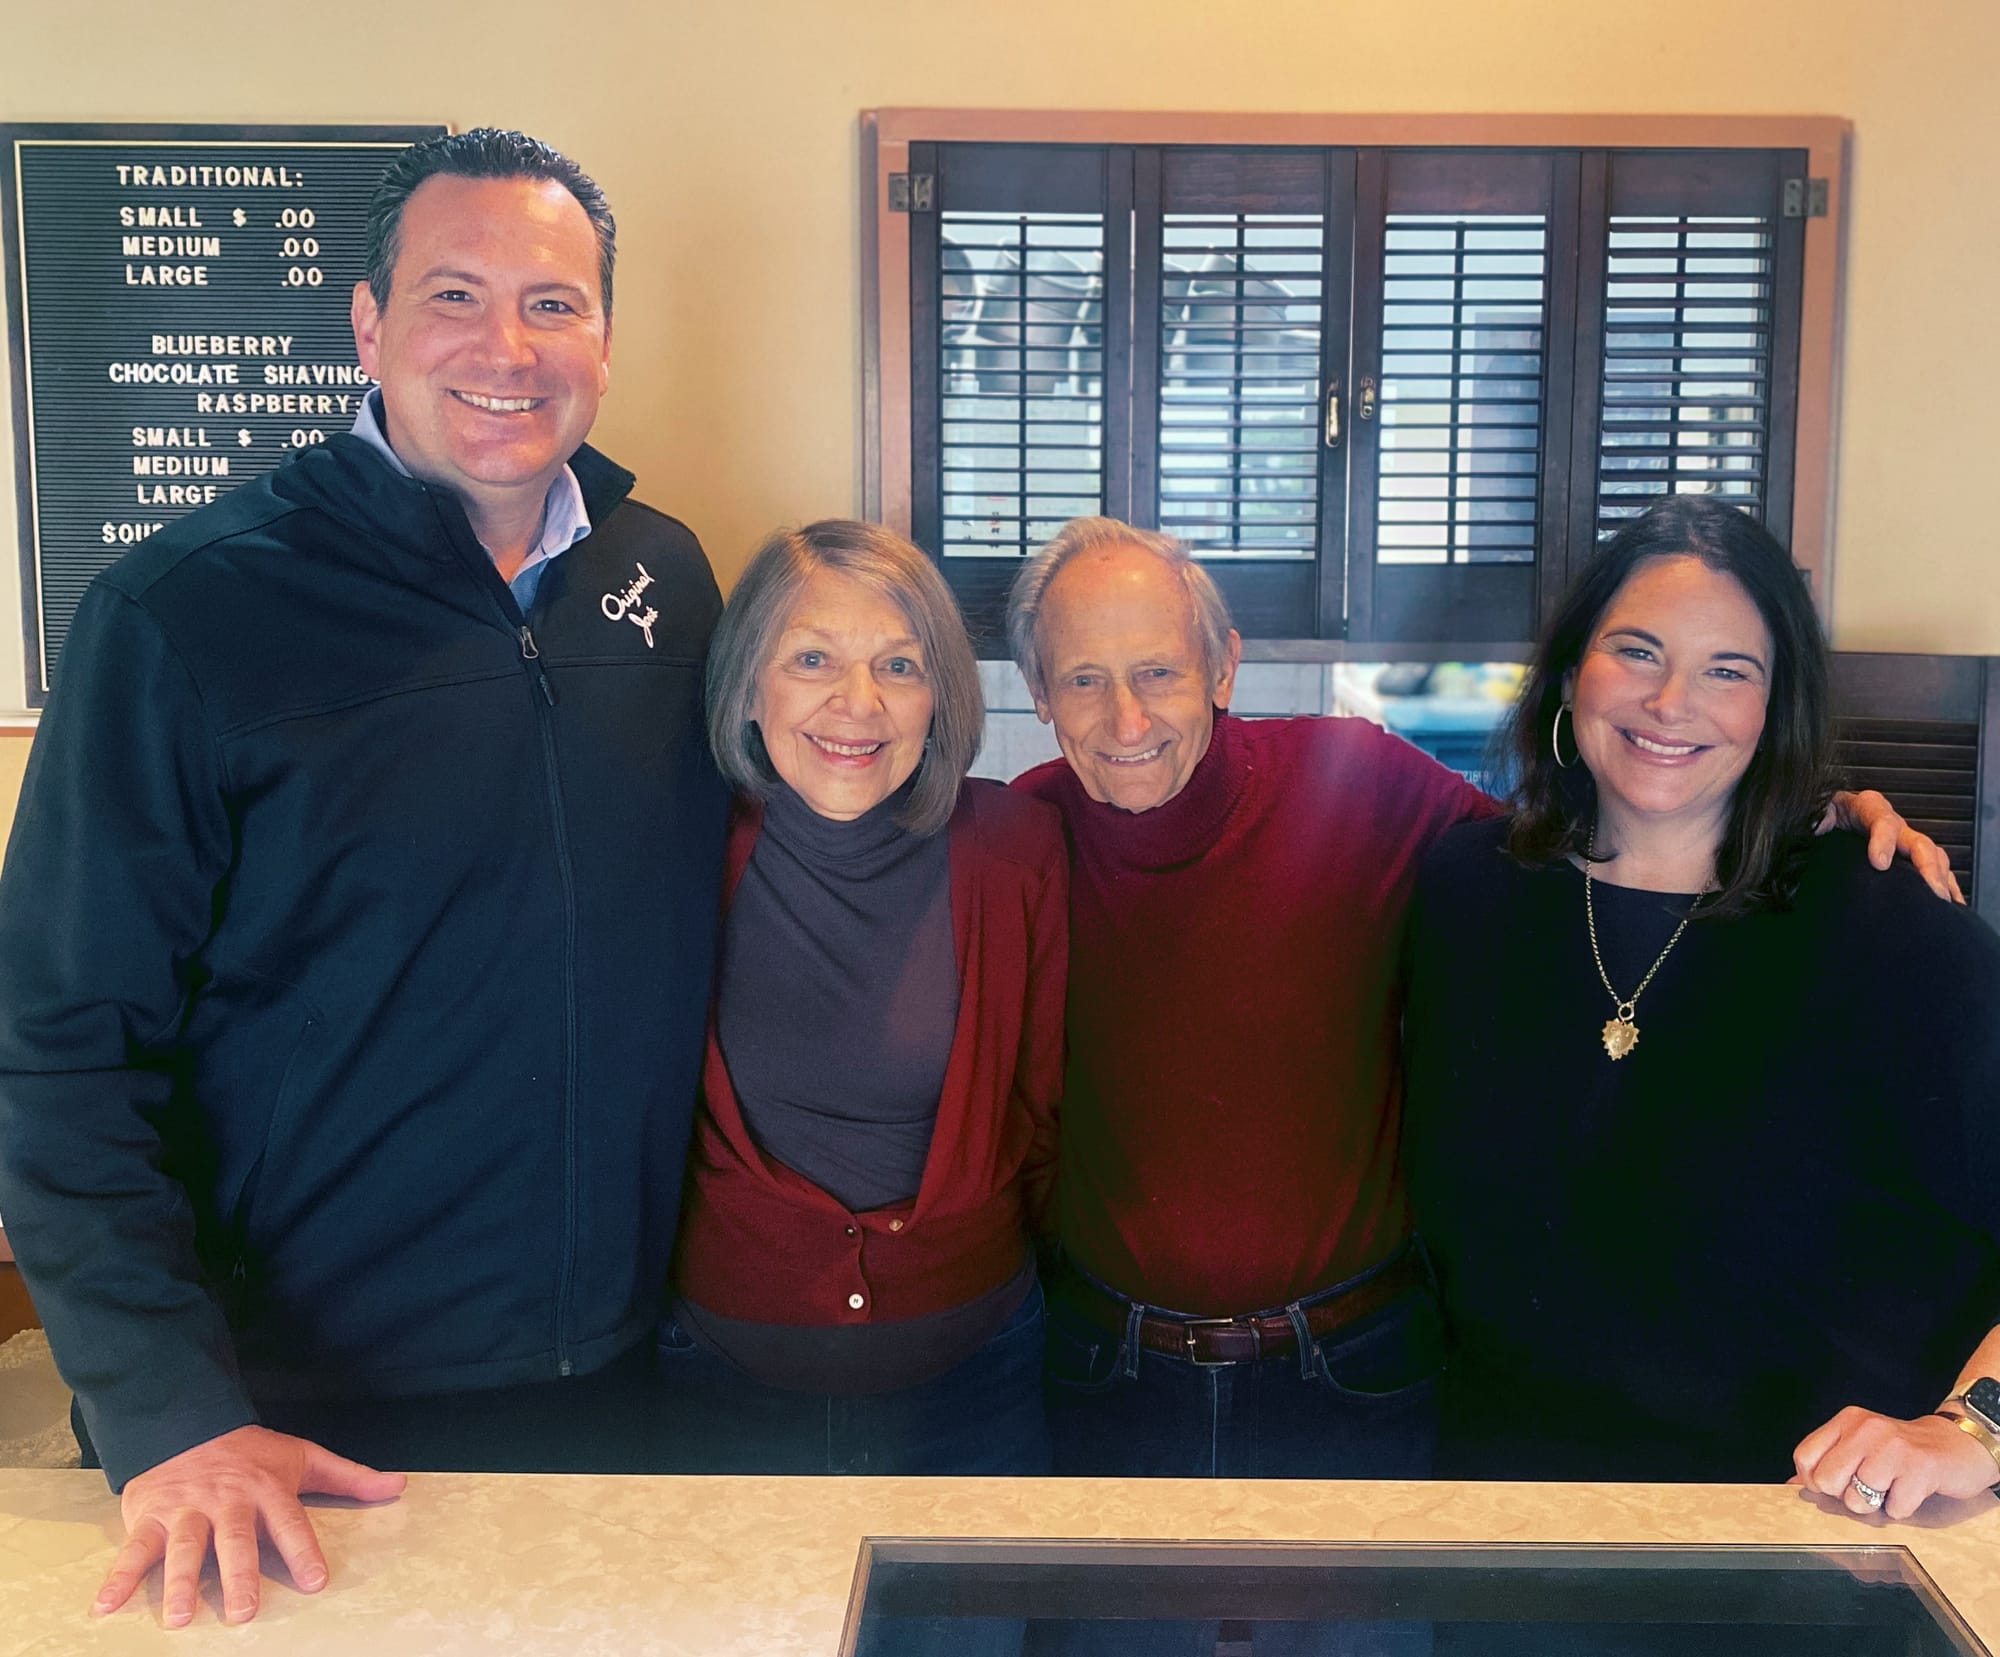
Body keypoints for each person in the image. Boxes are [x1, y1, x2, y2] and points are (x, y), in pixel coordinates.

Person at [0, 129, 728, 1625]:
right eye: (455, 296)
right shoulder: (185, 611)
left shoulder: (664, 578)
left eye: (554, 303)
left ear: (604, 332)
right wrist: (166, 1410)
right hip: (293, 1423)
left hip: (625, 1379)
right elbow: (57, 1046)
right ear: (367, 323)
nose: (507, 349)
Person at [1004, 516, 1956, 1484]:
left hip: (1386, 1380)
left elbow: (1631, 822)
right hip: (1134, 1373)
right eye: (1083, 678)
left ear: (1222, 666)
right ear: (1038, 692)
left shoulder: (1360, 786)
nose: (1126, 719)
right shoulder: (1019, 843)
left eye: (1157, 671)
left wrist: (1816, 811)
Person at [1402, 495, 2000, 1517]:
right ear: (1567, 673)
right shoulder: (1466, 888)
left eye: (1728, 670)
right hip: (1500, 1530)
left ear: (1775, 708)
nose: (1668, 701)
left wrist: (1972, 1425)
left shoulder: (1882, 924)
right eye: (1634, 651)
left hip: (1795, 1542)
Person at [659, 520, 1066, 1474]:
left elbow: (1045, 1112)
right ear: (749, 684)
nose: (858, 704)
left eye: (899, 664)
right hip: (721, 1384)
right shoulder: (675, 843)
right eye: (811, 658)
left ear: (942, 694)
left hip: (978, 1381)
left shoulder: (1017, 848)